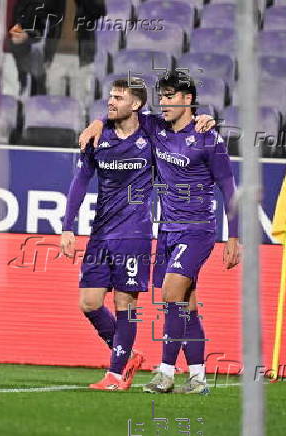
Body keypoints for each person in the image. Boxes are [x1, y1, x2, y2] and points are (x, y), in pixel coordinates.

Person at [79, 71, 240, 394]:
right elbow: (124, 112)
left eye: (169, 97)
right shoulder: (156, 128)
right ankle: (197, 378)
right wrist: (98, 122)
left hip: (197, 230)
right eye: (161, 97)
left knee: (169, 297)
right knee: (186, 305)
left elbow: (229, 188)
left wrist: (234, 237)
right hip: (166, 229)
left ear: (188, 100)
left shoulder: (209, 138)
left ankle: (165, 374)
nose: (162, 103)